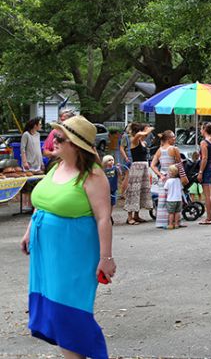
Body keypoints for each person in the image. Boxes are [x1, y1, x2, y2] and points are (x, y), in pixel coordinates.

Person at [20, 115, 115, 358]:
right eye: (55, 136)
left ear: (76, 145)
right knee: (53, 309)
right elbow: (43, 205)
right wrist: (30, 231)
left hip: (74, 253)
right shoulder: (57, 166)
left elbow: (104, 218)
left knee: (69, 312)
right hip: (47, 251)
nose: (54, 141)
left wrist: (106, 258)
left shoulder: (93, 175)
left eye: (60, 138)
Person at [151, 131, 186, 229]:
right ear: (168, 139)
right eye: (173, 137)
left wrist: (160, 175)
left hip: (163, 178)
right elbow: (179, 164)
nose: (175, 139)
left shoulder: (160, 150)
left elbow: (152, 165)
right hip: (174, 178)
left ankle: (163, 222)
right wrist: (183, 177)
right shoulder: (174, 149)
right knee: (176, 199)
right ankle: (177, 221)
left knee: (163, 201)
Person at [123, 122, 154, 225]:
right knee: (134, 191)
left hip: (144, 167)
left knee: (141, 191)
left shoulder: (143, 143)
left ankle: (137, 215)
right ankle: (129, 217)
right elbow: (139, 135)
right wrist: (146, 130)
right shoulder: (134, 140)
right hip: (136, 168)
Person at [20, 117, 44, 213]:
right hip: (29, 163)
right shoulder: (26, 135)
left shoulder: (38, 135)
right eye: (40, 124)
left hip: (37, 162)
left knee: (36, 184)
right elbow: (22, 149)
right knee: (27, 185)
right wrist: (25, 161)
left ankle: (34, 204)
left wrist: (41, 162)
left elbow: (38, 149)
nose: (41, 126)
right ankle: (26, 204)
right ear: (35, 125)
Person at [163, 164, 183, 230]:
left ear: (171, 173)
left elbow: (165, 188)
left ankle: (171, 224)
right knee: (177, 212)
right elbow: (181, 188)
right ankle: (177, 224)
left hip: (171, 199)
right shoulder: (178, 180)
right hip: (179, 199)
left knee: (171, 213)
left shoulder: (168, 181)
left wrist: (164, 181)